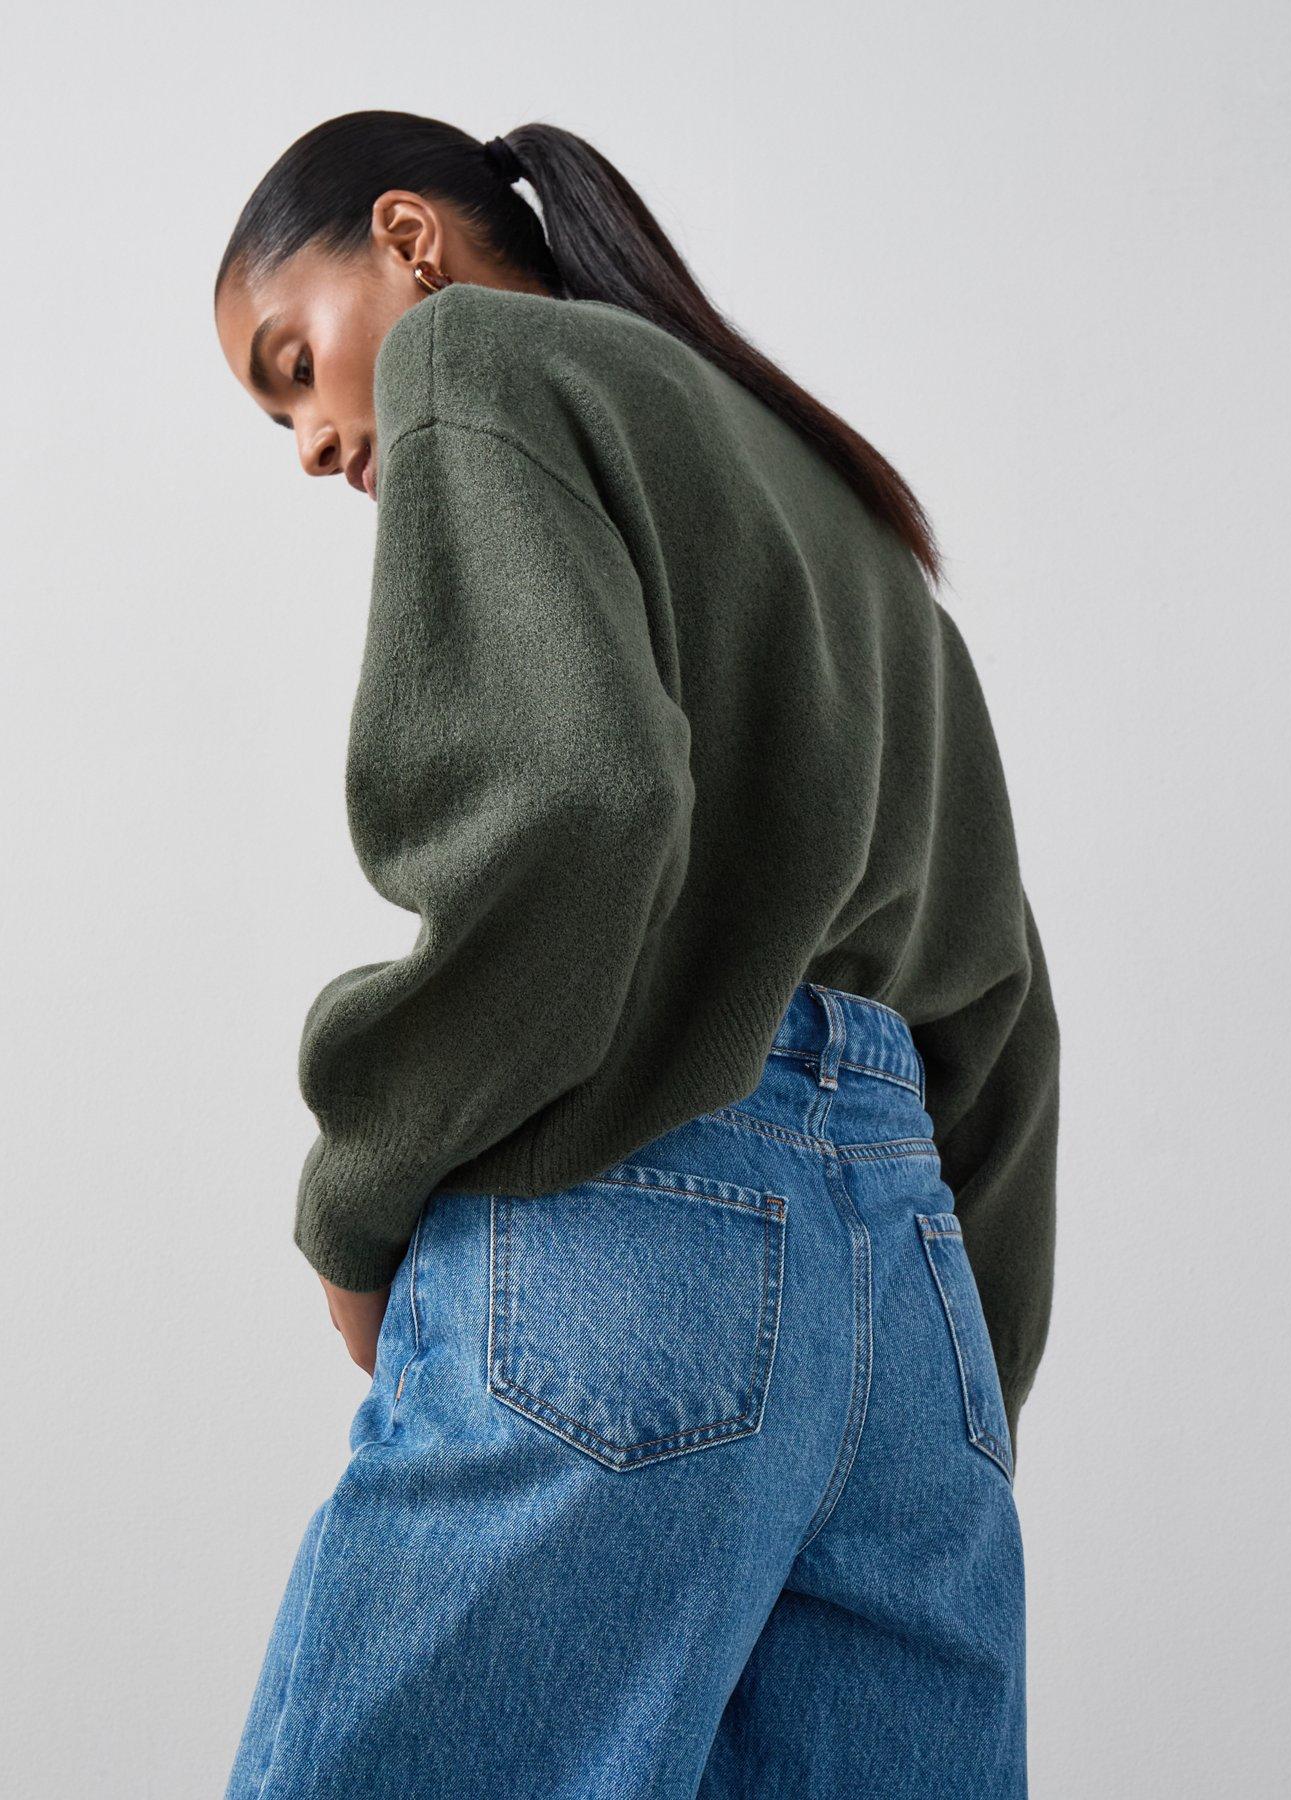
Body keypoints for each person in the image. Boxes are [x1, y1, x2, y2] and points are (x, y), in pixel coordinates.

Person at [214, 110, 1060, 1800]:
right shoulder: (852, 519)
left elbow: (581, 800)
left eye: (292, 363)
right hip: (917, 1325)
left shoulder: (473, 355)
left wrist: (360, 1195)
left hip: (642, 1227)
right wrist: (959, 1399)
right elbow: (1002, 1010)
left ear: (409, 239)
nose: (308, 440)